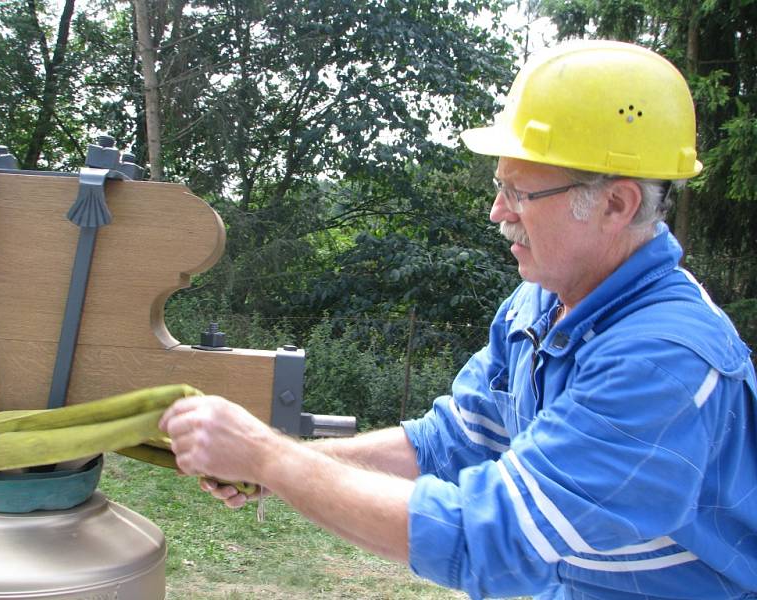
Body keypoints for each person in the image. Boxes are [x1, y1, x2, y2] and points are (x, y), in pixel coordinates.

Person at [160, 40, 757, 600]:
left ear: (616, 204)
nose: (498, 212)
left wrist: (271, 457)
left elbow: (490, 537)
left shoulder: (666, 362)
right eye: (500, 186)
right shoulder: (539, 303)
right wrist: (287, 468)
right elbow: (451, 442)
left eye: (521, 192)